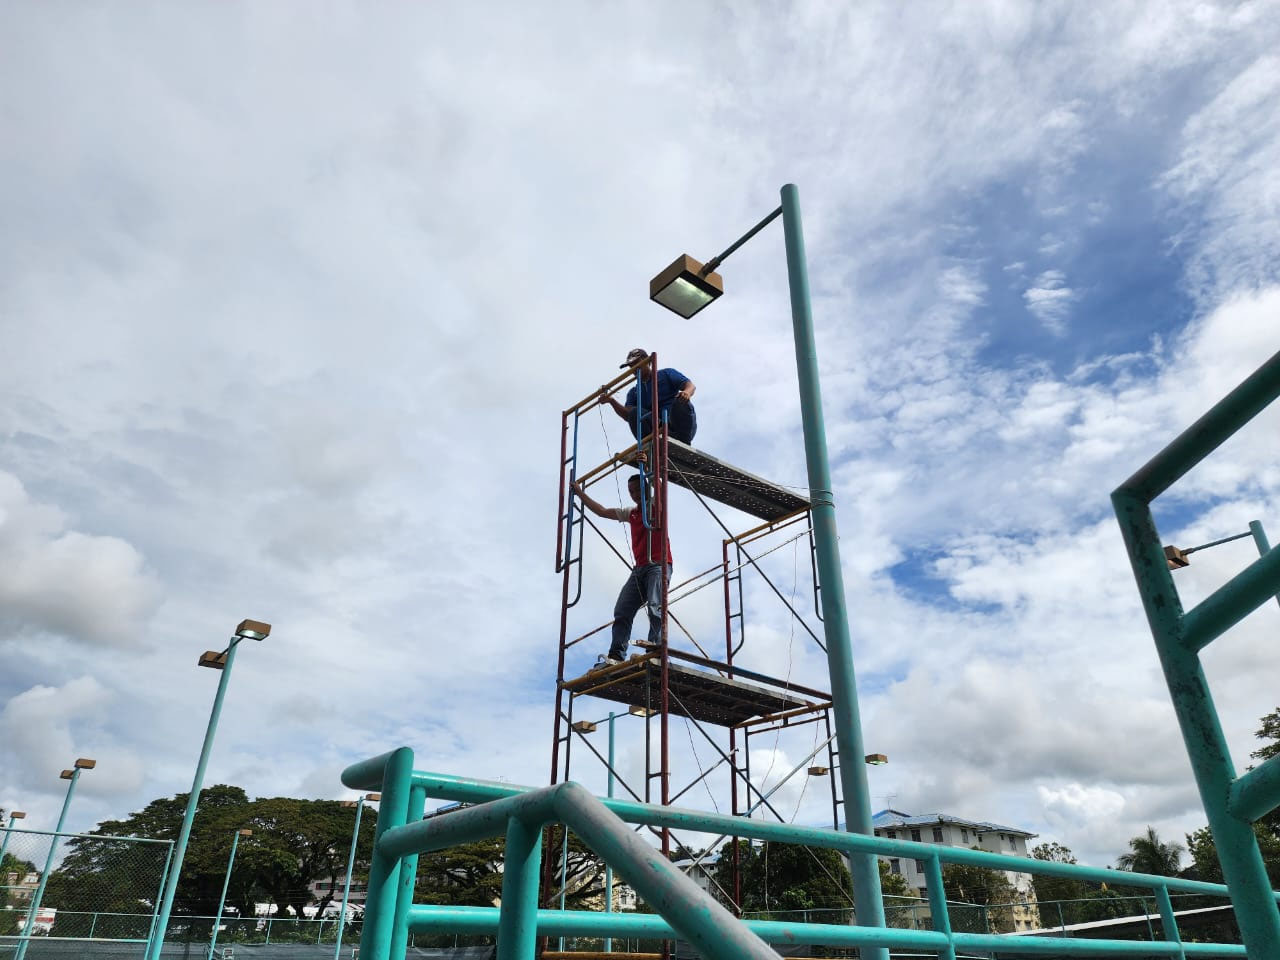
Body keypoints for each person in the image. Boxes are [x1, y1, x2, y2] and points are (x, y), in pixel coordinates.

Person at [571, 471, 672, 668]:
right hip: (640, 569)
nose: (634, 494)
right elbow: (601, 511)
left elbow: (660, 487)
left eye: (638, 489)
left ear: (646, 489)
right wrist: (579, 493)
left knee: (655, 607)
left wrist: (648, 467)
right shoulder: (631, 513)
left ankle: (656, 652)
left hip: (658, 566)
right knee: (622, 610)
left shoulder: (655, 506)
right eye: (631, 491)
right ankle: (616, 655)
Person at [601, 348, 697, 444]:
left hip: (678, 425)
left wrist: (686, 393)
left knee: (680, 400)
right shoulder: (634, 392)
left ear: (648, 361)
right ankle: (651, 443)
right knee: (634, 412)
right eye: (631, 366)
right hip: (658, 429)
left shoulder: (666, 374)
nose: (634, 368)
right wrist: (611, 401)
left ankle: (674, 432)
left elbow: (689, 385)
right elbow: (628, 415)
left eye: (637, 363)